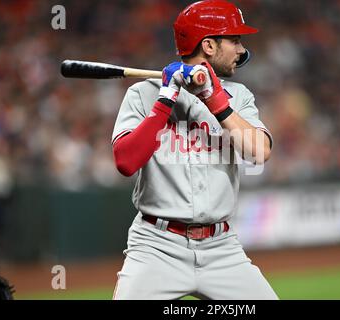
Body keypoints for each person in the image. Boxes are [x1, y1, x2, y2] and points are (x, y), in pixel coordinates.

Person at [111, 0, 277, 300]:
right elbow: (125, 161)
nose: (241, 50)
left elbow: (259, 152)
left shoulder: (237, 96)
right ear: (209, 45)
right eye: (235, 40)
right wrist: (166, 98)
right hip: (156, 246)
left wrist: (215, 98)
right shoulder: (143, 93)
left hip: (221, 248)